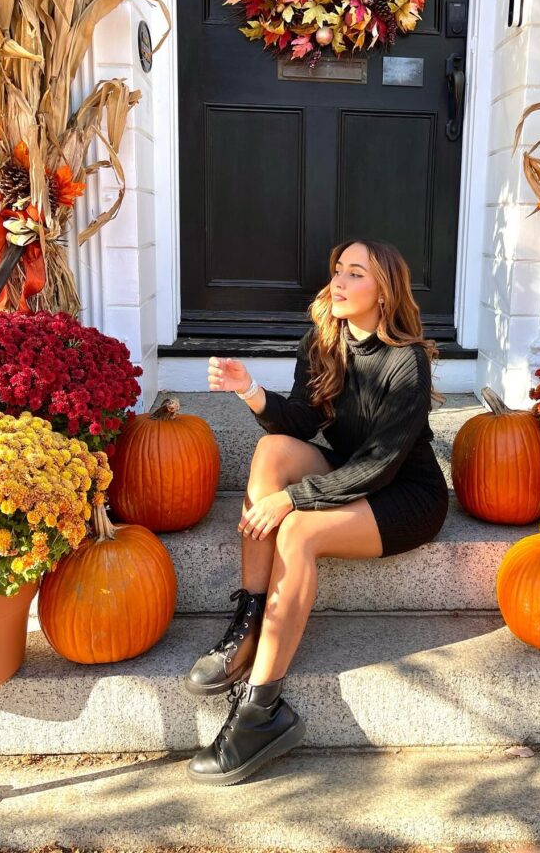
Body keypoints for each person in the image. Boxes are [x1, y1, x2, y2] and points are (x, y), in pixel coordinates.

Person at [185, 238, 449, 786]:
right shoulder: (323, 339)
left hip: (405, 495)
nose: (339, 282)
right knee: (270, 450)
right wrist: (251, 391)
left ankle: (261, 711)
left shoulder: (407, 363)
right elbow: (302, 423)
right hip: (352, 470)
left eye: (356, 274)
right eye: (338, 270)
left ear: (385, 292)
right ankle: (251, 623)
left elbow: (379, 466)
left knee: (298, 530)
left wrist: (294, 499)